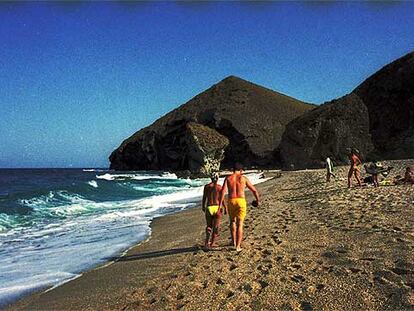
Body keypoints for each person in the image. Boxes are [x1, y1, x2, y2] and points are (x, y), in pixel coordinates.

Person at [219, 163, 260, 252]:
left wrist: (220, 205)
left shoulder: (228, 178)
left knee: (232, 221)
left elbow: (222, 192)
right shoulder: (243, 178)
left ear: (232, 170)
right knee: (240, 224)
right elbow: (254, 190)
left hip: (231, 201)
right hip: (241, 201)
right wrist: (257, 201)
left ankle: (233, 242)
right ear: (241, 170)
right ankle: (238, 246)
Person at [202, 172, 226, 248]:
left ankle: (206, 243)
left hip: (209, 207)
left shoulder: (207, 187)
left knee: (209, 226)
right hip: (217, 207)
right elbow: (222, 199)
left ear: (211, 178)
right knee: (216, 227)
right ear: (218, 178)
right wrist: (225, 207)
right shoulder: (220, 187)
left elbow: (204, 197)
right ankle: (212, 243)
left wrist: (203, 206)